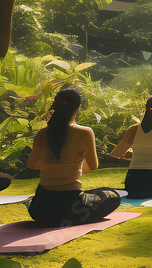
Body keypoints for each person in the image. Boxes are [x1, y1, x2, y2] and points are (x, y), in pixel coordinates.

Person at [26, 86, 121, 227]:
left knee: (94, 193)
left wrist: (51, 163)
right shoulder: (85, 132)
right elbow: (93, 165)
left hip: (40, 210)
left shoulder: (42, 133)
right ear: (77, 108)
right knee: (112, 195)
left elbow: (32, 164)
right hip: (70, 208)